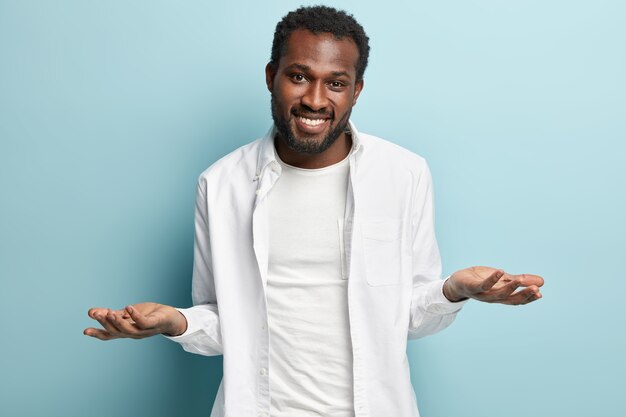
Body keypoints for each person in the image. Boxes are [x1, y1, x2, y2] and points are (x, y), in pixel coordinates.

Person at [84, 6, 544, 417]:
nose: (316, 100)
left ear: (356, 90)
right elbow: (227, 323)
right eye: (299, 76)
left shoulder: (404, 174)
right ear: (271, 76)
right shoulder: (221, 184)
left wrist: (452, 290)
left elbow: (406, 319)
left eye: (336, 83)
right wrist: (176, 322)